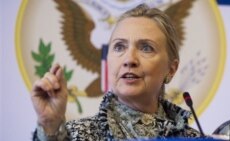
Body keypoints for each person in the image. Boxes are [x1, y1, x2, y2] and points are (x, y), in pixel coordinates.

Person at [31, 4, 201, 141]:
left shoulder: (195, 139)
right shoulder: (76, 136)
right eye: (119, 47)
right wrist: (49, 125)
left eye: (146, 48)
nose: (129, 59)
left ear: (171, 69)